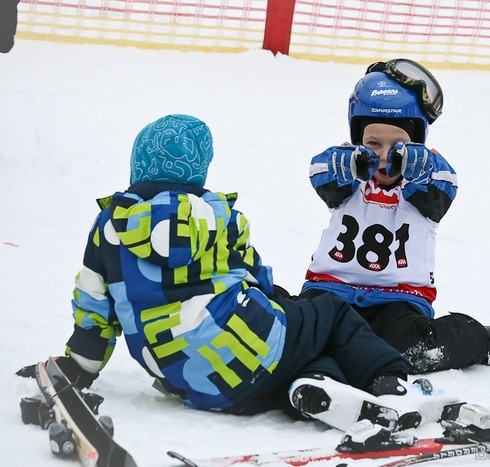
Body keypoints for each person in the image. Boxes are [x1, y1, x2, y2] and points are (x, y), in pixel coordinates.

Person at [18, 114, 429, 433]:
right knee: (328, 313)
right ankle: (388, 380)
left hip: (193, 383)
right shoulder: (221, 218)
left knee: (294, 348)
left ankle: (318, 385)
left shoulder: (109, 226)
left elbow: (93, 306)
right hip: (252, 350)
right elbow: (259, 282)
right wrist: (288, 305)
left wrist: (80, 366)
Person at [300, 59, 490, 374]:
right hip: (330, 288)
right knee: (297, 334)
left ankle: (481, 340)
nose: (383, 155)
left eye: (397, 145)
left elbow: (444, 186)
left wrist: (420, 165)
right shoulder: (348, 175)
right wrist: (345, 162)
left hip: (397, 300)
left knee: (411, 350)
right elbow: (320, 172)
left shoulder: (424, 182)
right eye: (373, 144)